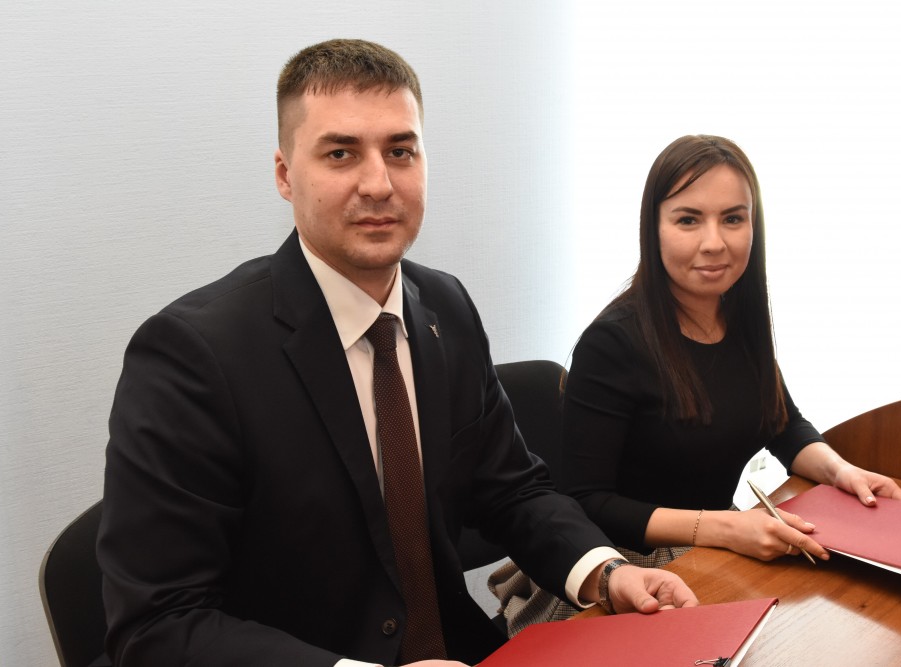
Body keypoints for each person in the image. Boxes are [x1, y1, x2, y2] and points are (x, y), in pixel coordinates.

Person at [96, 39, 698, 667]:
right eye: (340, 153)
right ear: (284, 175)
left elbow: (512, 490)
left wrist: (605, 572)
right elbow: (158, 625)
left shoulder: (446, 306)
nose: (379, 184)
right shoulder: (193, 356)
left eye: (400, 151)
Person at [559, 134, 901, 566]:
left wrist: (842, 472)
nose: (714, 243)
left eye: (732, 219)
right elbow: (587, 502)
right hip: (624, 562)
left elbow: (785, 426)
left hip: (716, 541)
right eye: (688, 220)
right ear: (653, 229)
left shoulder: (738, 318)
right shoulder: (611, 343)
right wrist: (726, 527)